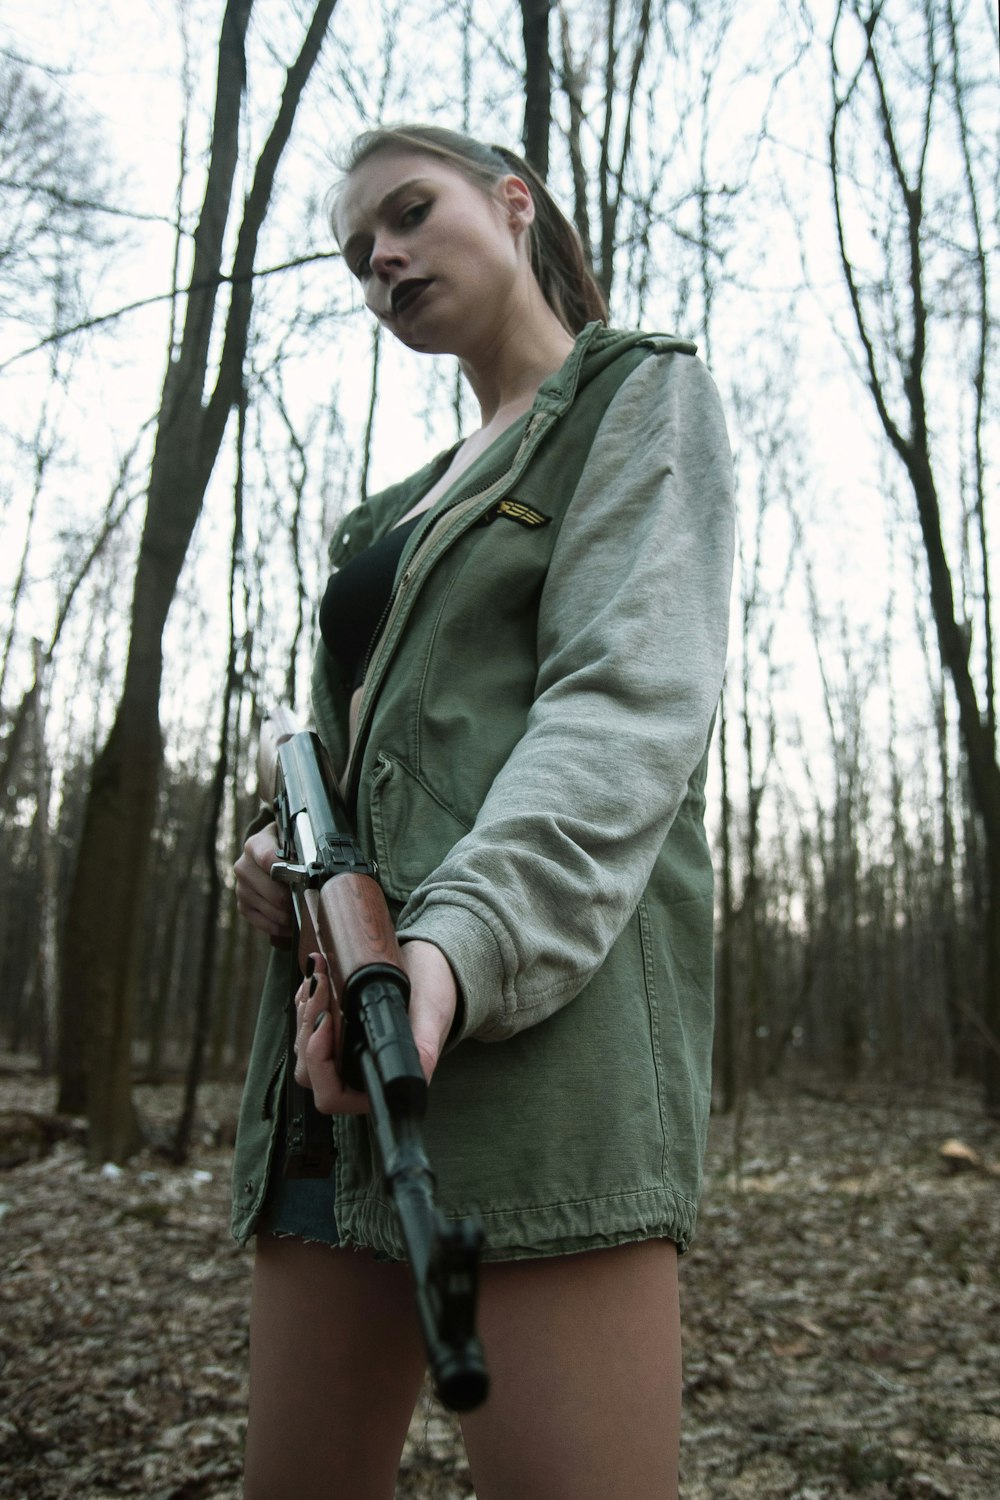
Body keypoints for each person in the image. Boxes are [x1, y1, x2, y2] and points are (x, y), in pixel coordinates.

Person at [232, 124, 734, 1500]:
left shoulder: (635, 397)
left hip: (536, 1053)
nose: (381, 258)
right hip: (333, 1062)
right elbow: (347, 762)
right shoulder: (381, 518)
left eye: (407, 213)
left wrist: (448, 957)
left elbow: (623, 708)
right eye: (355, 253)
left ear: (514, 204)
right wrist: (276, 852)